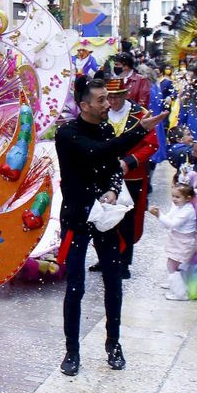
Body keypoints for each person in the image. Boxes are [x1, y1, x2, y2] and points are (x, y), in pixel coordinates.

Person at [54, 78, 165, 375]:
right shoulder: (67, 134)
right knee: (75, 287)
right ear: (84, 105)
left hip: (106, 217)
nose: (108, 104)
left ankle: (113, 344)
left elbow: (112, 167)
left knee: (113, 282)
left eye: (108, 99)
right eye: (101, 100)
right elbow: (97, 153)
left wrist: (114, 190)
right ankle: (72, 350)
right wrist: (140, 129)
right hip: (78, 218)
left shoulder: (104, 129)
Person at [104, 77, 160, 277]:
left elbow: (152, 145)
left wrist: (129, 162)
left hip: (132, 176)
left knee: (127, 219)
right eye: (109, 97)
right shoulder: (101, 114)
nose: (112, 102)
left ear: (125, 95)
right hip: (105, 174)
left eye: (117, 97)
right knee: (104, 217)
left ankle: (124, 261)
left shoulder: (141, 115)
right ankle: (105, 258)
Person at [148, 182, 197, 301]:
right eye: (173, 196)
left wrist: (159, 214)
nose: (174, 199)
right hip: (177, 239)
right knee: (174, 264)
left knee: (173, 265)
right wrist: (159, 215)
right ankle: (174, 282)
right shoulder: (178, 207)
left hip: (184, 241)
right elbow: (168, 222)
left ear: (188, 198)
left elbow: (172, 224)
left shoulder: (188, 211)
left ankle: (180, 293)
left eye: (177, 197)